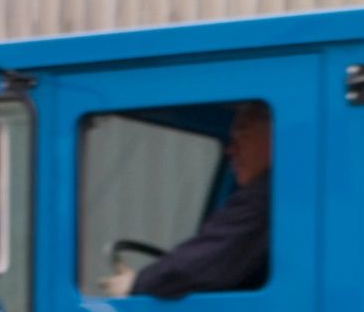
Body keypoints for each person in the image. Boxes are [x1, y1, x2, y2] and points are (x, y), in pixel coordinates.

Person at [101, 102, 272, 298]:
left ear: (277, 137)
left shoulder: (267, 196)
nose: (231, 150)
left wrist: (136, 284)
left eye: (243, 136)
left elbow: (202, 262)